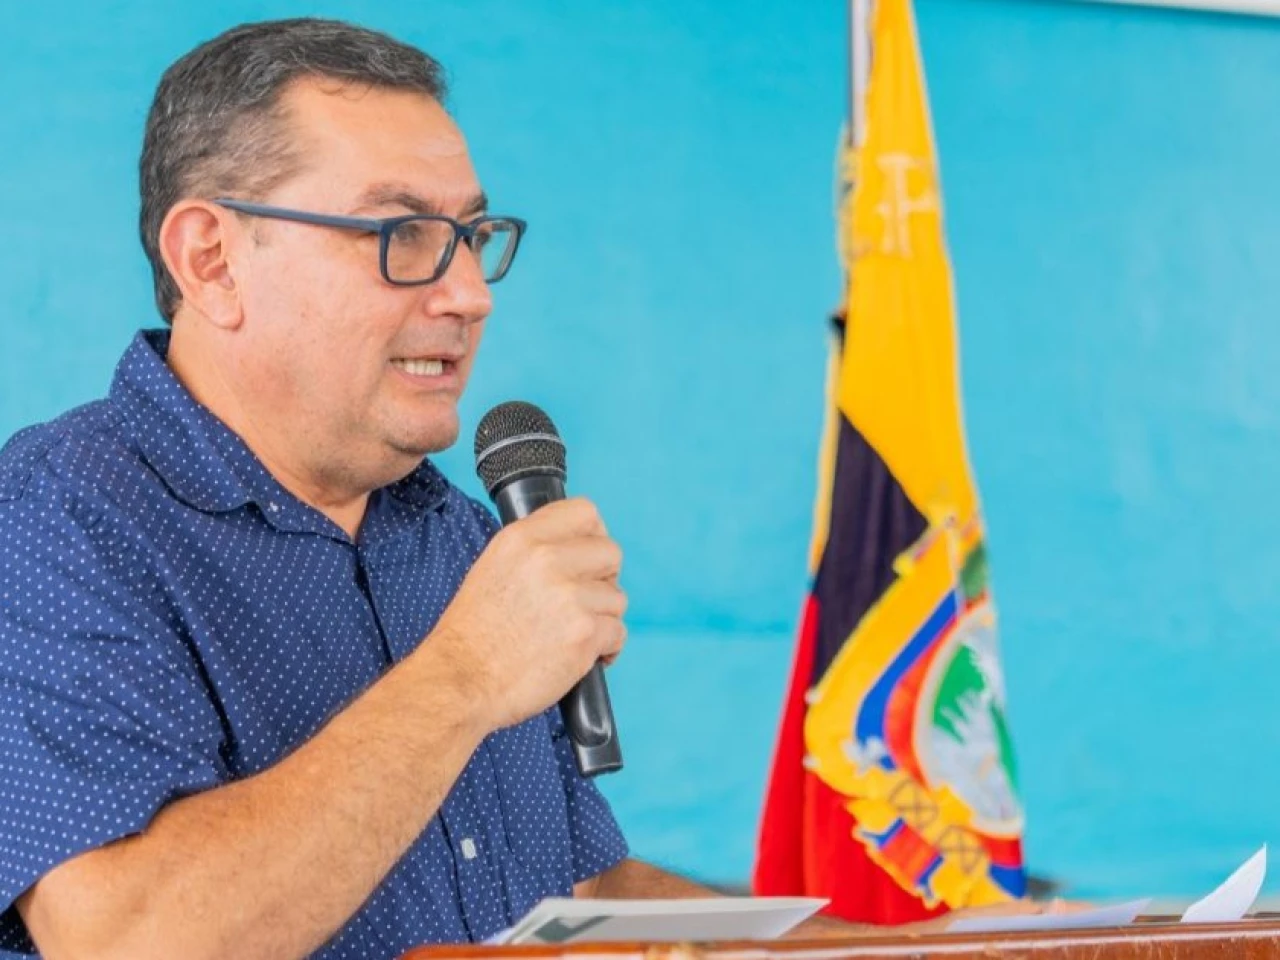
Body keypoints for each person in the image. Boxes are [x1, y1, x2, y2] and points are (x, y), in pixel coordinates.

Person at [0, 18, 1045, 960]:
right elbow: (124, 938)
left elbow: (573, 896)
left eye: (470, 236)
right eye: (401, 236)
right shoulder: (57, 520)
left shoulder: (459, 534)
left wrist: (905, 952)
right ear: (213, 261)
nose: (467, 294)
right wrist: (464, 677)